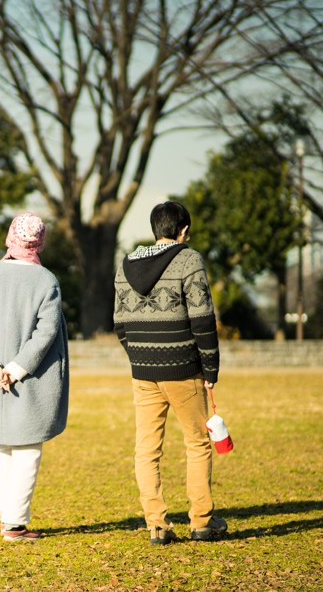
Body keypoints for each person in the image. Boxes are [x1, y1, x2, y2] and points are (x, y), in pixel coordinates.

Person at [113, 201, 227, 545]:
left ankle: (157, 526)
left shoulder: (126, 265)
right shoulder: (188, 259)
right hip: (183, 369)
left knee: (146, 450)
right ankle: (201, 522)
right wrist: (210, 367)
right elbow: (202, 318)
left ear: (154, 230)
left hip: (143, 372)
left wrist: (138, 355)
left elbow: (119, 323)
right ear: (184, 231)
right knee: (197, 443)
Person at [0, 212, 70, 542]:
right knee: (27, 451)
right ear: (40, 241)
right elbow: (46, 331)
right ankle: (15, 522)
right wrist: (17, 368)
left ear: (11, 236)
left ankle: (7, 515)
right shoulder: (46, 280)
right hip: (32, 379)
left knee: (3, 447)